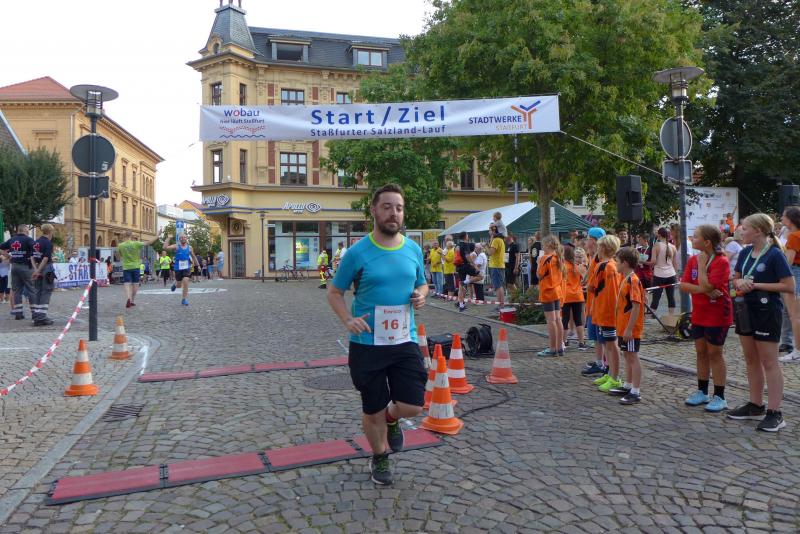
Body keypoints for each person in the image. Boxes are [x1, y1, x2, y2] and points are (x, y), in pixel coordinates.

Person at [326, 183, 428, 486]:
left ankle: (393, 418)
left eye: (399, 208)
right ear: (373, 211)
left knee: (413, 404)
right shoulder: (357, 253)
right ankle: (380, 456)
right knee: (373, 408)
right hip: (367, 343)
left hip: (404, 339)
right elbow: (334, 292)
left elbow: (422, 283)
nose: (394, 213)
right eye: (387, 207)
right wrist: (348, 319)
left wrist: (421, 295)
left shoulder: (413, 249)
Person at [727, 213, 794, 432]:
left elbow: (789, 286)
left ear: (758, 231)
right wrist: (739, 283)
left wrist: (755, 285)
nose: (741, 231)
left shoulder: (774, 254)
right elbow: (735, 279)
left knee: (769, 362)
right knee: (750, 359)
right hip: (745, 309)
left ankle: (775, 412)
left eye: (745, 228)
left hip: (767, 311)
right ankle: (755, 405)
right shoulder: (745, 252)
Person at [679, 224, 733, 413]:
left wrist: (702, 269)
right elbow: (684, 285)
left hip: (717, 314)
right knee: (701, 352)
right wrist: (704, 290)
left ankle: (720, 396)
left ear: (707, 242)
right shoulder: (693, 259)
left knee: (715, 353)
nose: (692, 239)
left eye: (695, 237)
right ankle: (702, 391)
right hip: (699, 313)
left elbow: (709, 285)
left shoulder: (721, 261)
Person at [611, 247, 645, 404]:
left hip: (630, 329)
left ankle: (635, 391)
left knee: (632, 356)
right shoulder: (625, 278)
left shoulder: (633, 280)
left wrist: (629, 329)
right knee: (627, 355)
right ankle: (628, 385)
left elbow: (636, 306)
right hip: (623, 326)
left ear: (624, 263)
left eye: (617, 261)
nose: (615, 264)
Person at [591, 235, 623, 393]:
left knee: (611, 345)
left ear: (603, 248)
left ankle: (615, 377)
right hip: (604, 311)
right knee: (607, 344)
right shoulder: (608, 265)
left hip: (607, 312)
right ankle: (610, 373)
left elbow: (608, 291)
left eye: (599, 246)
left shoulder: (606, 266)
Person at [582, 227, 608, 376]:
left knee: (601, 337)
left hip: (598, 304)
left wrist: (588, 283)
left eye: (587, 239)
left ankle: (603, 364)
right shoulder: (594, 257)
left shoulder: (601, 260)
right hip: (593, 303)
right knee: (596, 336)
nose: (585, 242)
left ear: (594, 241)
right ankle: (600, 361)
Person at [536, 235, 565, 357]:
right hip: (557, 291)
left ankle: (552, 348)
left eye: (543, 245)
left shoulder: (545, 258)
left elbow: (539, 275)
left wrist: (538, 262)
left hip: (548, 291)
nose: (542, 247)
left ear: (548, 245)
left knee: (551, 321)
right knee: (558, 320)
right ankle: (559, 347)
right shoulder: (558, 257)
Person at [0, 224, 36, 320]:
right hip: (26, 267)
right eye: (28, 230)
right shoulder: (28, 240)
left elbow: (1, 248)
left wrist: (8, 256)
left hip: (14, 267)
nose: (28, 232)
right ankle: (34, 313)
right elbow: (37, 249)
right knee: (31, 289)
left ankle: (18, 313)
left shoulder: (12, 240)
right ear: (25, 230)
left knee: (16, 291)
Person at [118, 231, 159, 308]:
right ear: (131, 236)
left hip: (126, 267)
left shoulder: (120, 245)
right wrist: (157, 236)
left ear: (124, 236)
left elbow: (120, 256)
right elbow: (148, 243)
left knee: (127, 283)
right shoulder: (136, 243)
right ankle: (132, 300)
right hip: (136, 266)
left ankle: (128, 298)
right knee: (135, 284)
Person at [780, 206, 800, 362]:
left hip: (795, 274)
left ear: (791, 219)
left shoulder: (793, 236)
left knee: (795, 316)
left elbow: (788, 262)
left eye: (783, 216)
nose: (781, 218)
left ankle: (797, 351)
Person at [562, 244, 588, 351]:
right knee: (578, 320)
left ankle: (564, 341)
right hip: (578, 295)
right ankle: (581, 342)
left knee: (565, 319)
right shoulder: (579, 266)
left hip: (566, 295)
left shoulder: (563, 266)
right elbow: (585, 280)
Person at [30, 223, 56, 326]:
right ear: (50, 231)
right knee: (46, 291)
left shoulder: (36, 242)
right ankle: (42, 317)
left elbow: (32, 257)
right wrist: (39, 270)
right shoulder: (48, 243)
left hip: (37, 267)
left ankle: (36, 316)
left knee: (38, 292)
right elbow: (45, 258)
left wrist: (36, 270)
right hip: (46, 269)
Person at [164, 233, 200, 306]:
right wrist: (168, 238)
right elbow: (165, 247)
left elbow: (193, 256)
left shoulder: (190, 247)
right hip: (178, 268)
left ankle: (184, 299)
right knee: (179, 285)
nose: (183, 238)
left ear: (186, 238)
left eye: (184, 237)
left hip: (186, 267)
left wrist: (198, 265)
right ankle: (175, 284)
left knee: (186, 281)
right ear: (179, 239)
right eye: (181, 237)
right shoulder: (176, 246)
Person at [651, 227, 678, 316]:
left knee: (656, 296)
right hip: (671, 274)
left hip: (659, 274)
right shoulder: (673, 247)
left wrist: (643, 262)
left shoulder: (656, 245)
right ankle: (671, 316)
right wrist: (676, 276)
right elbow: (675, 263)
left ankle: (650, 315)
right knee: (671, 296)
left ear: (659, 235)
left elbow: (653, 261)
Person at [454, 232, 477, 311]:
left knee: (461, 287)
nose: (468, 236)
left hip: (459, 266)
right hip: (465, 266)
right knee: (481, 276)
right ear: (465, 237)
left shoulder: (457, 245)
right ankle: (466, 282)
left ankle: (461, 305)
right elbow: (467, 256)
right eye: (467, 235)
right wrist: (474, 265)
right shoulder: (465, 244)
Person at [487, 225, 506, 311]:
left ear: (493, 231)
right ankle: (501, 304)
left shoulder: (496, 240)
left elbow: (490, 252)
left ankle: (500, 305)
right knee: (499, 286)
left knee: (498, 286)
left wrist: (485, 246)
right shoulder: (500, 239)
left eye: (489, 230)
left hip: (496, 266)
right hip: (499, 265)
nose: (488, 232)